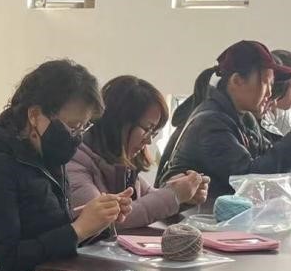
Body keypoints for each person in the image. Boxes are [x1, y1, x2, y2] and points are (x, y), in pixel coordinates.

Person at [0, 59, 128, 271]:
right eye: (72, 126)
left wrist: (97, 220)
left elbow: (43, 229)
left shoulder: (43, 154)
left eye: (83, 128)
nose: (76, 137)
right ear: (35, 114)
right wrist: (78, 230)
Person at [158, 41, 291, 198]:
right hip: (191, 216)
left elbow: (267, 157)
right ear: (237, 81)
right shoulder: (211, 123)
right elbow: (248, 179)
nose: (269, 93)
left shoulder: (245, 118)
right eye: (265, 83)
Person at [68, 76, 208, 229]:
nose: (149, 141)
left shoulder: (122, 166)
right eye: (147, 129)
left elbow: (149, 198)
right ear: (119, 122)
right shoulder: (73, 163)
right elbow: (103, 222)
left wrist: (184, 195)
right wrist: (173, 195)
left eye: (154, 133)